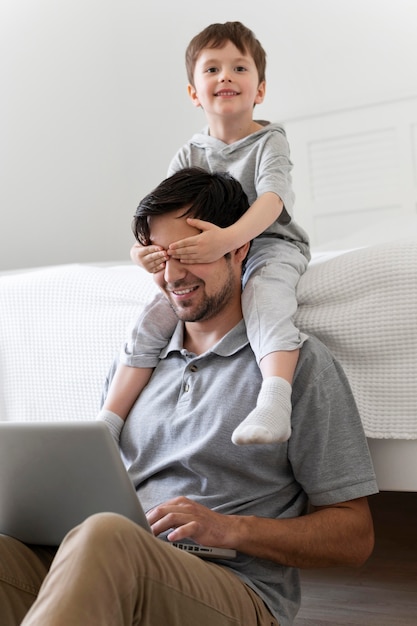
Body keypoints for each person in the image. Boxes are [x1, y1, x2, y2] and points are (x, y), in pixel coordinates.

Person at [0, 168, 378, 626]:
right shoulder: (136, 366)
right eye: (159, 258)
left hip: (230, 588)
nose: (172, 275)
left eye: (188, 253)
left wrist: (231, 529)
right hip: (112, 561)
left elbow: (354, 536)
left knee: (106, 536)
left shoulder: (299, 364)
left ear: (239, 248)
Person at [99, 21, 310, 446]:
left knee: (265, 298)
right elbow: (161, 215)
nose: (225, 77)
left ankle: (274, 399)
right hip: (204, 252)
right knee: (154, 316)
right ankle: (108, 421)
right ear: (195, 93)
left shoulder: (269, 142)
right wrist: (143, 251)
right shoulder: (189, 153)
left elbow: (272, 201)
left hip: (269, 243)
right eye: (211, 69)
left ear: (260, 89)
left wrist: (229, 239)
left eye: (239, 68)